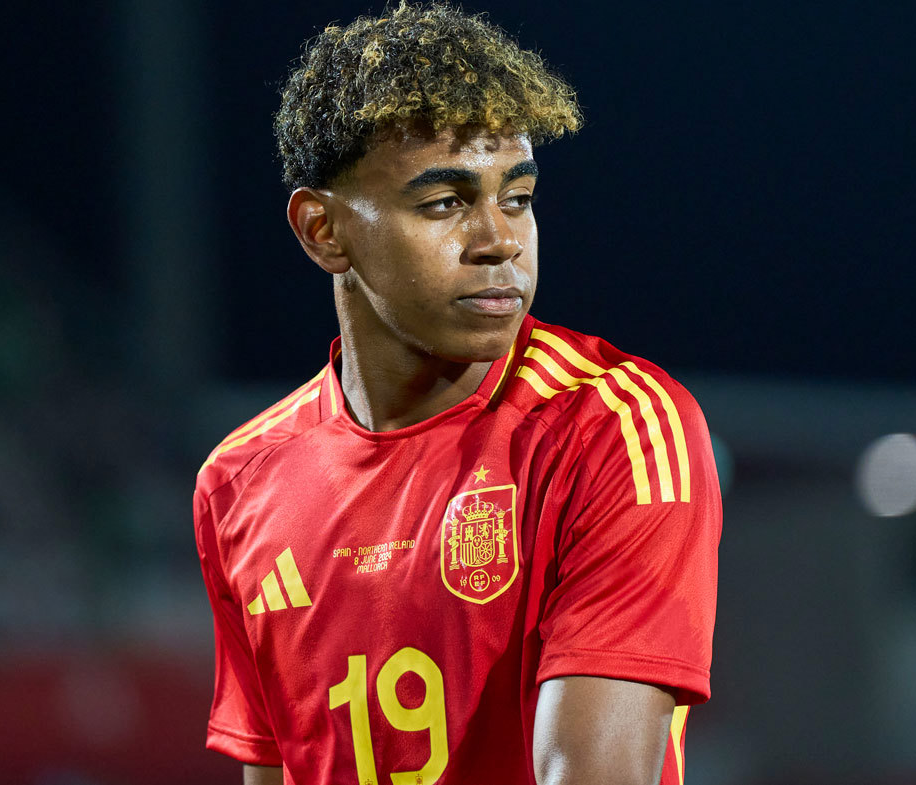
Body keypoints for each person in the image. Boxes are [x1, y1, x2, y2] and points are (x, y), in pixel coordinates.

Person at [193, 3, 721, 783]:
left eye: (517, 197)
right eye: (445, 203)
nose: (499, 240)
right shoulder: (238, 485)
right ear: (321, 231)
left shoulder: (617, 430)